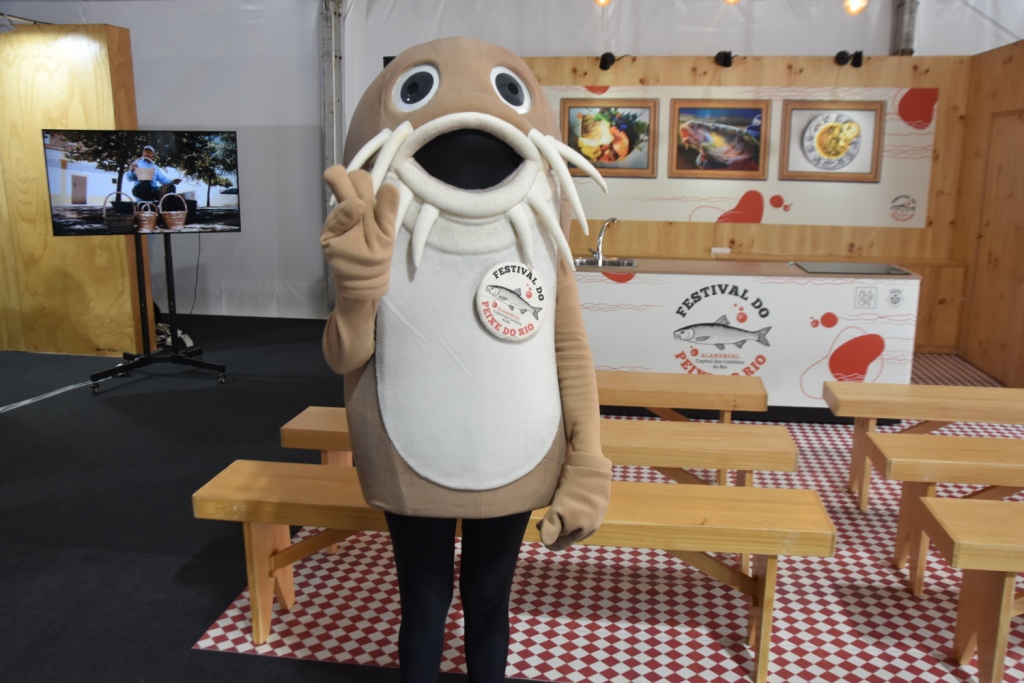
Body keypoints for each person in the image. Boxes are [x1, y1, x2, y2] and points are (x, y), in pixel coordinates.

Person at [321, 37, 612, 683]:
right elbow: (344, 356)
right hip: (407, 456)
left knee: (488, 602)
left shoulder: (542, 236)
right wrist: (355, 294)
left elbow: (569, 350)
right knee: (424, 602)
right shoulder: (373, 231)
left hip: (517, 451)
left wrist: (589, 460)